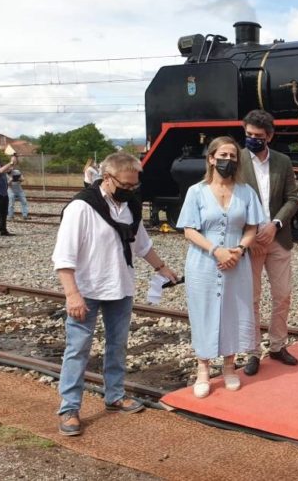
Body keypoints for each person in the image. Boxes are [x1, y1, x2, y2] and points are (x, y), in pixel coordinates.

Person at [52, 152, 178, 436]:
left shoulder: (130, 205)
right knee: (77, 349)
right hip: (87, 290)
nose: (131, 190)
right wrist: (72, 295)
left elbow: (141, 243)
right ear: (107, 178)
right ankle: (69, 407)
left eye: (135, 185)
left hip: (120, 287)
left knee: (117, 345)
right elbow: (63, 257)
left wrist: (162, 268)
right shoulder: (81, 207)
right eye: (126, 185)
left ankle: (115, 396)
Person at [177, 137, 265, 398]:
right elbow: (189, 229)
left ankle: (229, 366)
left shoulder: (246, 191)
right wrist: (216, 250)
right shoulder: (196, 191)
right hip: (204, 261)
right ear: (212, 158)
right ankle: (203, 368)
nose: (228, 160)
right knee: (203, 311)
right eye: (223, 155)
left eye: (233, 156)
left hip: (237, 261)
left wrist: (239, 249)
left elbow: (252, 227)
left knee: (235, 311)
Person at [238, 110, 298, 375]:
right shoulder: (237, 159)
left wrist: (275, 225)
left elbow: (292, 199)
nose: (252, 139)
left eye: (258, 136)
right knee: (250, 299)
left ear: (270, 137)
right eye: (249, 135)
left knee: (282, 295)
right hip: (250, 241)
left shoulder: (282, 162)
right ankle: (251, 351)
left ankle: (277, 345)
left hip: (277, 237)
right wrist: (250, 233)